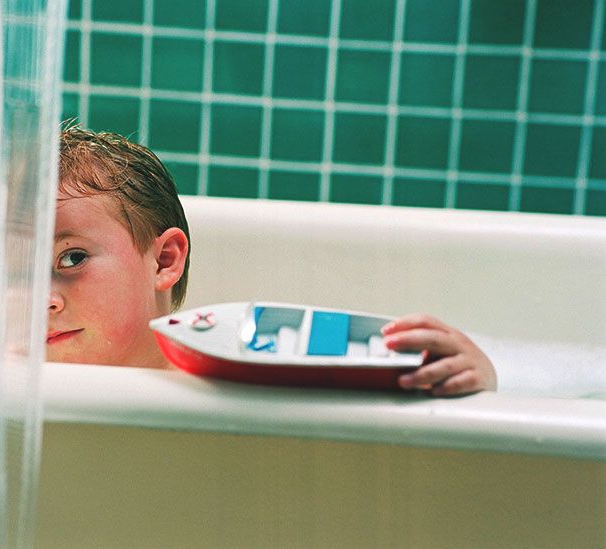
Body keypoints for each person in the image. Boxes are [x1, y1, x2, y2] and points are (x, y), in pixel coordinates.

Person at [47, 125, 497, 396]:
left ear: (164, 261)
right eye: (17, 268)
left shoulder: (232, 377)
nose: (40, 299)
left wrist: (476, 380)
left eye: (72, 258)